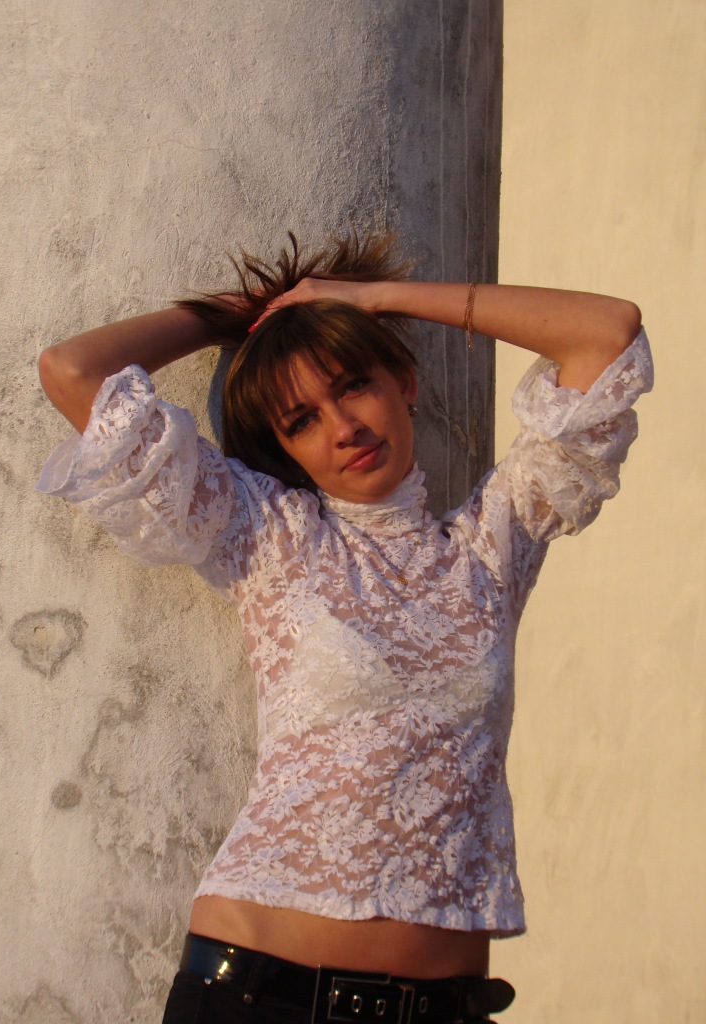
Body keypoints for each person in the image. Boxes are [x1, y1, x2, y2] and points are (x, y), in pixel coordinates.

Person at [37, 232, 653, 1024]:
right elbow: (73, 372)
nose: (344, 426)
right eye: (302, 419)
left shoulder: (491, 551)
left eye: (354, 385)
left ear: (405, 382)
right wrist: (241, 314)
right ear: (285, 448)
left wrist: (371, 298)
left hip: (444, 1008)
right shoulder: (268, 531)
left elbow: (606, 334)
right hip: (258, 996)